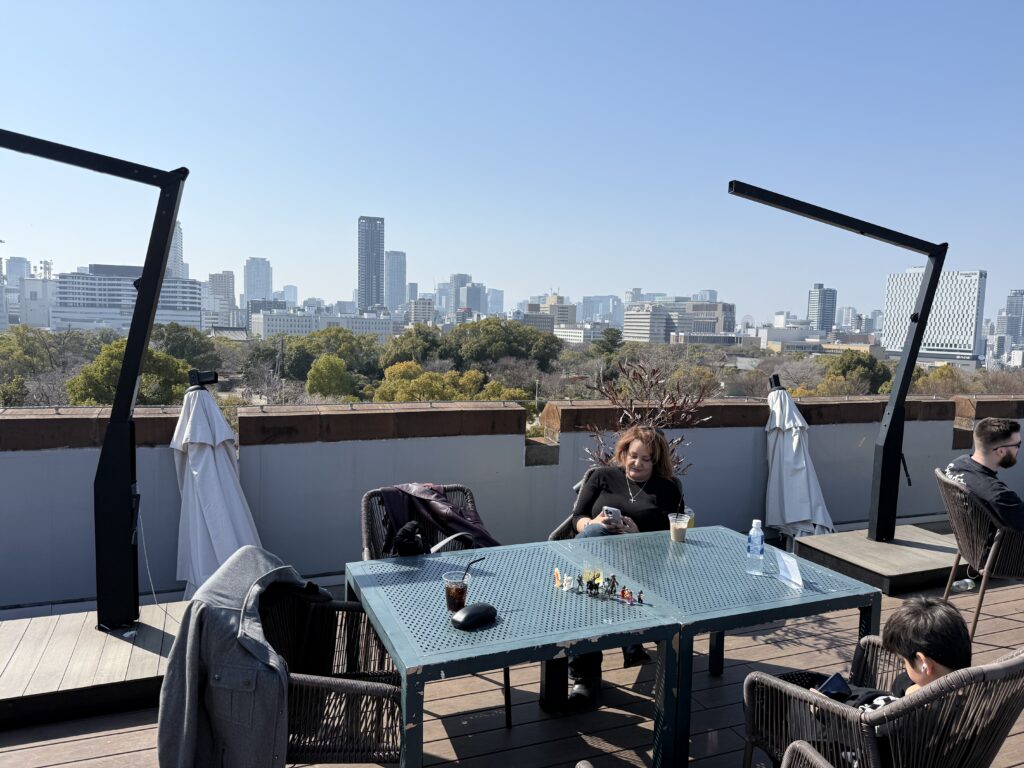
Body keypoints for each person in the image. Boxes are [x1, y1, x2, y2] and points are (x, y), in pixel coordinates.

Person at [567, 425, 683, 707]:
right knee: (596, 539)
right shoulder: (602, 476)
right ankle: (630, 640)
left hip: (642, 563)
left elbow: (672, 536)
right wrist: (593, 523)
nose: (637, 463)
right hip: (595, 560)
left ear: (656, 461)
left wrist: (638, 535)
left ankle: (586, 675)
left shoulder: (667, 489)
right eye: (633, 456)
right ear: (623, 453)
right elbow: (576, 519)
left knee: (593, 594)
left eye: (645, 459)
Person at [945, 417, 1024, 530]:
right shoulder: (998, 495)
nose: (1018, 450)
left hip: (972, 536)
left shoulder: (957, 464)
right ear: (1001, 451)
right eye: (1017, 445)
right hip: (1002, 541)